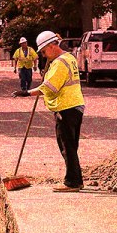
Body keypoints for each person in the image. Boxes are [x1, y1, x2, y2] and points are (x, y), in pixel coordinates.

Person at [27, 30, 85, 192]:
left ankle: (73, 182)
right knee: (71, 145)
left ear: (52, 46)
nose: (44, 55)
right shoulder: (69, 58)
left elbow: (50, 87)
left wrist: (28, 92)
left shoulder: (60, 63)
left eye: (44, 51)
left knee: (67, 146)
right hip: (75, 106)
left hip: (66, 108)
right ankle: (75, 179)